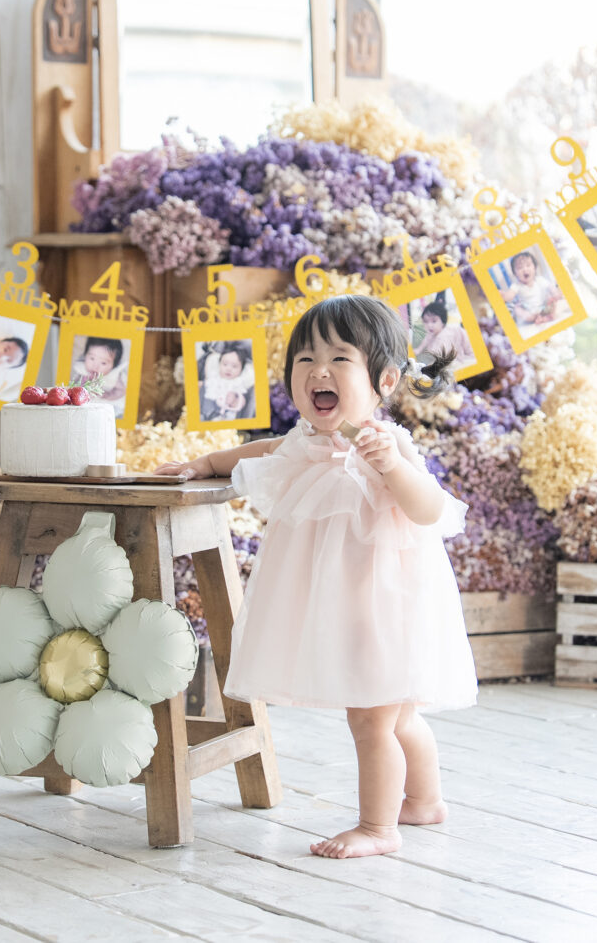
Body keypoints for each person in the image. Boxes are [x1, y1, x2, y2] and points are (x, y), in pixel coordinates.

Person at [154, 295, 477, 859]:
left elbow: (429, 510)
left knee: (373, 720)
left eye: (339, 358)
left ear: (384, 380)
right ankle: (425, 801)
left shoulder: (388, 443)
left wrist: (392, 466)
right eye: (305, 359)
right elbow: (263, 449)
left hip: (388, 604)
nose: (318, 371)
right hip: (345, 607)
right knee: (399, 715)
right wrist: (205, 463)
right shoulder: (306, 439)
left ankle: (378, 828)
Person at [498, 250, 564, 330]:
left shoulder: (540, 280)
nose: (525, 269)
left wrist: (555, 293)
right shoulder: (516, 286)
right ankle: (538, 318)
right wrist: (503, 295)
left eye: (528, 265)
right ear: (515, 273)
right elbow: (509, 296)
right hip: (529, 312)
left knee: (552, 300)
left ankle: (546, 317)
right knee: (517, 309)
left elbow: (551, 287)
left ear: (534, 268)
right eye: (520, 268)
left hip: (543, 307)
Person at [412, 294, 475, 371]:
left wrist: (428, 367)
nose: (429, 325)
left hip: (466, 358)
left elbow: (443, 359)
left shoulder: (444, 336)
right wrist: (419, 349)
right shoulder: (433, 332)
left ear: (443, 321)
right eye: (425, 321)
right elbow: (427, 339)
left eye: (434, 321)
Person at [200, 342, 255, 421]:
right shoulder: (212, 379)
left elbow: (241, 404)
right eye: (225, 364)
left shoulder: (239, 384)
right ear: (219, 364)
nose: (228, 369)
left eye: (234, 366)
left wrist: (235, 400)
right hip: (207, 413)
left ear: (241, 370)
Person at [76, 336, 128, 408]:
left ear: (113, 366)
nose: (95, 366)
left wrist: (107, 395)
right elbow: (74, 386)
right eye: (92, 358)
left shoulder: (113, 376)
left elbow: (121, 391)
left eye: (103, 363)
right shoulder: (83, 371)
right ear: (85, 355)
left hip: (106, 404)